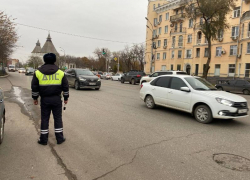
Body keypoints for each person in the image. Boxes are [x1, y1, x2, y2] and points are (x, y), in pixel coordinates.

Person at [31, 53, 69, 145]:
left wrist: (35, 98)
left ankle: (43, 140)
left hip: (44, 100)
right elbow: (65, 87)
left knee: (44, 119)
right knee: (58, 118)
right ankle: (59, 139)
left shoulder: (38, 72)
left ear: (44, 60)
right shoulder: (60, 72)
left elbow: (34, 87)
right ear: (54, 60)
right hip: (56, 99)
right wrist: (66, 98)